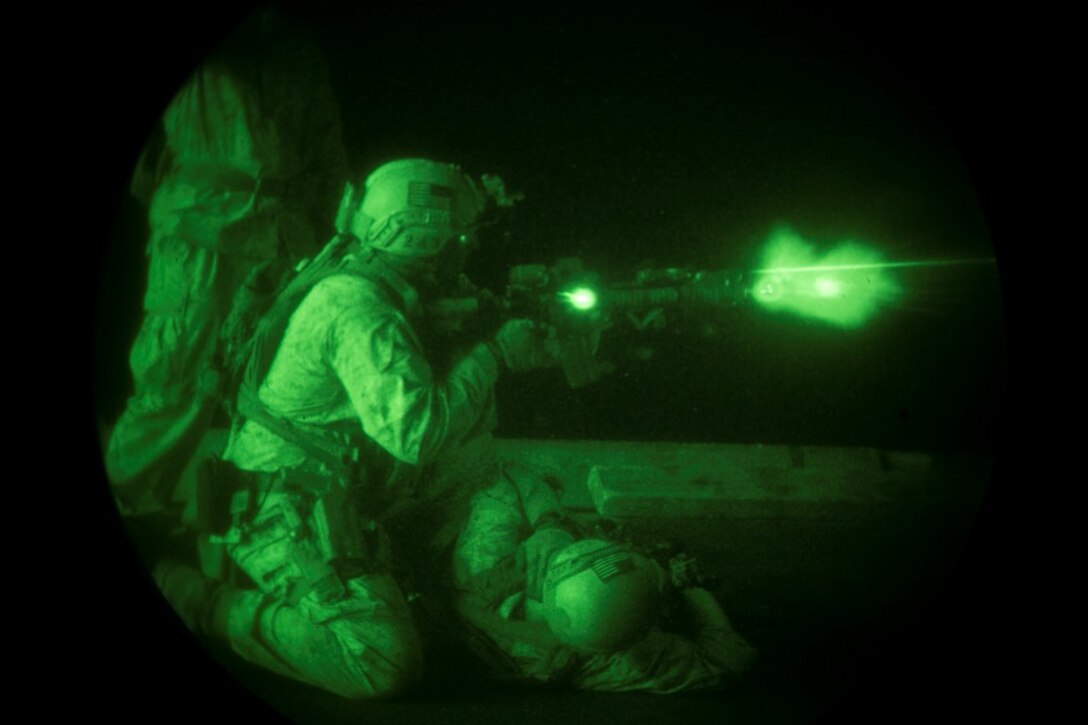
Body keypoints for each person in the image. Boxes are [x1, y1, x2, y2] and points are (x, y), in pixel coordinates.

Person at [153, 157, 558, 700]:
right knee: (380, 664)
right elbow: (417, 436)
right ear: (422, 237)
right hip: (282, 507)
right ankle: (201, 603)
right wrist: (495, 355)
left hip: (336, 490)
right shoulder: (359, 307)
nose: (465, 249)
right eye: (458, 237)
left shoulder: (364, 277)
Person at [105, 6, 348, 518]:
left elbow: (325, 145)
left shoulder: (299, 49)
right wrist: (175, 202)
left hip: (283, 235)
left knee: (278, 382)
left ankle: (262, 520)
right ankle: (131, 506)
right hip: (201, 231)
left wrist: (322, 233)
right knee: (175, 378)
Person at [452, 463, 757, 692]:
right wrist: (693, 588)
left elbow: (505, 473)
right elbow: (728, 660)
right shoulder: (627, 661)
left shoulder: (485, 560)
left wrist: (549, 525)